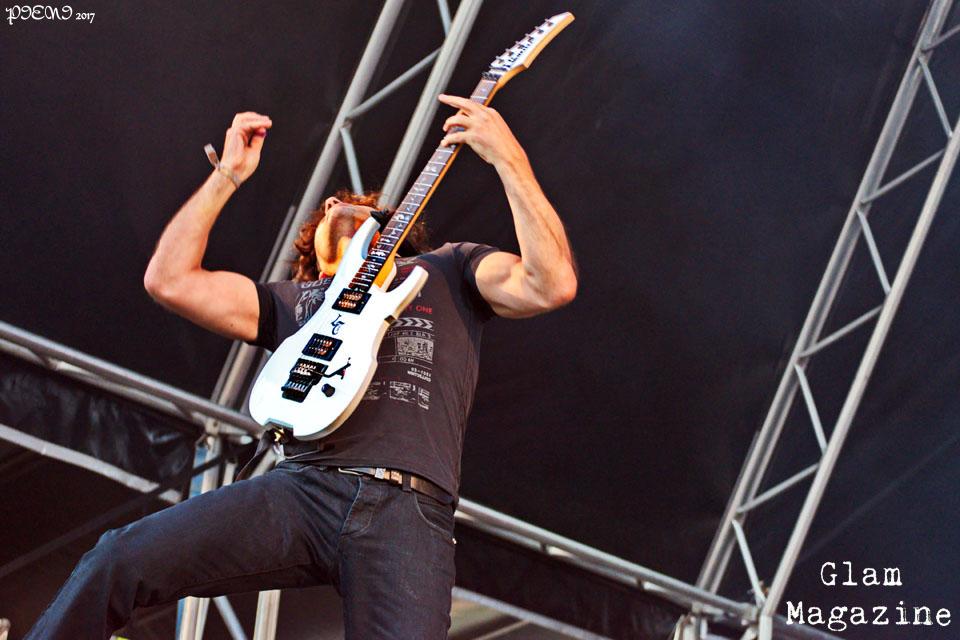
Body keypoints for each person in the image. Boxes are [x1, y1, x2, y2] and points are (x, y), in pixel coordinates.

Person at [26, 93, 577, 639]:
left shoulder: (447, 268)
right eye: (330, 205)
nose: (340, 205)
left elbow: (550, 283)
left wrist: (509, 158)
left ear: (391, 227)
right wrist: (226, 178)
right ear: (310, 249)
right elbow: (168, 280)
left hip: (408, 511)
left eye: (360, 205)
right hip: (301, 488)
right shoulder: (291, 302)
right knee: (117, 557)